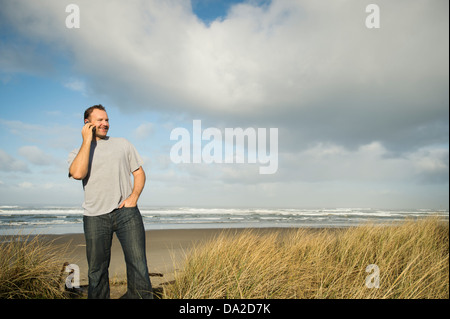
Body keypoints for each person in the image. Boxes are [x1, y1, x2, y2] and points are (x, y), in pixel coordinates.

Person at [68, 104, 152, 299]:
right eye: (100, 120)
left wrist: (133, 198)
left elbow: (139, 173)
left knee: (138, 264)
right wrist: (86, 141)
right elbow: (78, 173)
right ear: (87, 123)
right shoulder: (77, 152)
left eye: (107, 120)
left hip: (126, 213)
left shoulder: (123, 143)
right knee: (96, 270)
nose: (105, 124)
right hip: (95, 216)